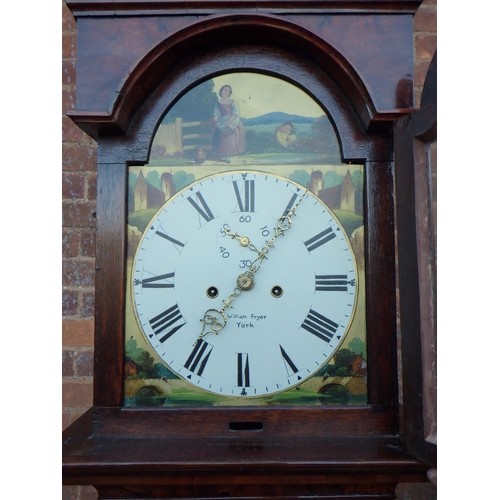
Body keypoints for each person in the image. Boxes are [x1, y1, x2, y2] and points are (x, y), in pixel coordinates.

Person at [212, 85, 246, 160]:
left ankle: (228, 156)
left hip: (232, 121)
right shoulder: (219, 102)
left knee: (230, 139)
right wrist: (216, 117)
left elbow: (235, 113)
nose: (226, 92)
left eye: (228, 91)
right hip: (222, 121)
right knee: (222, 138)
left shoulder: (232, 102)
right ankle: (222, 155)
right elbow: (217, 112)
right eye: (225, 90)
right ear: (221, 91)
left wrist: (229, 122)